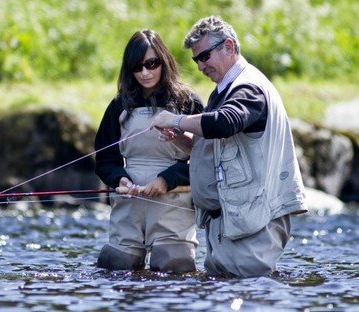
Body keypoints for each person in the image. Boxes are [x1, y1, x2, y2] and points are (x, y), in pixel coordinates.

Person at [150, 16, 308, 278]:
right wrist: (181, 138)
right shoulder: (224, 91)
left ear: (230, 47)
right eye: (196, 60)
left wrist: (176, 119)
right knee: (222, 292)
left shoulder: (249, 88)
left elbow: (224, 123)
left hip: (255, 222)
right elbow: (221, 150)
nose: (201, 66)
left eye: (204, 56)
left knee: (248, 297)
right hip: (231, 221)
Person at [94, 29, 203, 273]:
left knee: (172, 267)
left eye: (152, 64)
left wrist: (167, 179)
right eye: (137, 66)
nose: (145, 72)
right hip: (128, 203)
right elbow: (104, 160)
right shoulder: (118, 105)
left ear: (164, 61)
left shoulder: (188, 103)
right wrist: (119, 179)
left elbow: (206, 158)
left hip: (175, 201)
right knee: (118, 267)